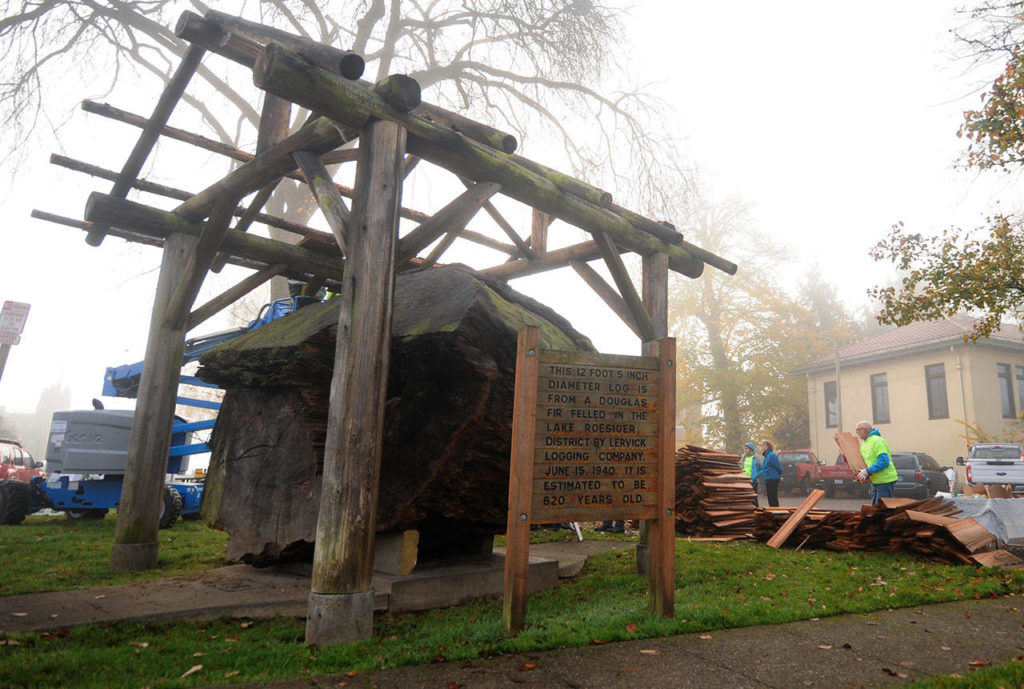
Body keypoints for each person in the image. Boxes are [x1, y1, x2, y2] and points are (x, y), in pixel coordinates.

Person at [854, 420, 898, 505]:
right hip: (875, 481)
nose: (857, 432)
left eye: (859, 429)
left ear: (866, 430)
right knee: (875, 508)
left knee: (881, 510)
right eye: (856, 430)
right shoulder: (864, 444)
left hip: (885, 480)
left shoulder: (877, 441)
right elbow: (867, 462)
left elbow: (884, 462)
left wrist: (867, 471)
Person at [758, 439, 782, 507]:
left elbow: (778, 466)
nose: (762, 447)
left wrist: (779, 475)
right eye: (762, 445)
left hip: (773, 478)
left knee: (773, 497)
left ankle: (776, 511)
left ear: (768, 446)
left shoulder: (772, 455)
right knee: (769, 498)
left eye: (764, 445)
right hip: (768, 478)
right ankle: (772, 510)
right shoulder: (766, 456)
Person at [741, 442, 761, 507]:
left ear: (751, 449)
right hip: (744, 481)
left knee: (754, 499)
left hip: (753, 481)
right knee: (745, 498)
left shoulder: (756, 457)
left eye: (746, 448)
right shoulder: (742, 457)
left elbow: (762, 469)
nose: (745, 450)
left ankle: (756, 512)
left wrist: (755, 476)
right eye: (744, 448)